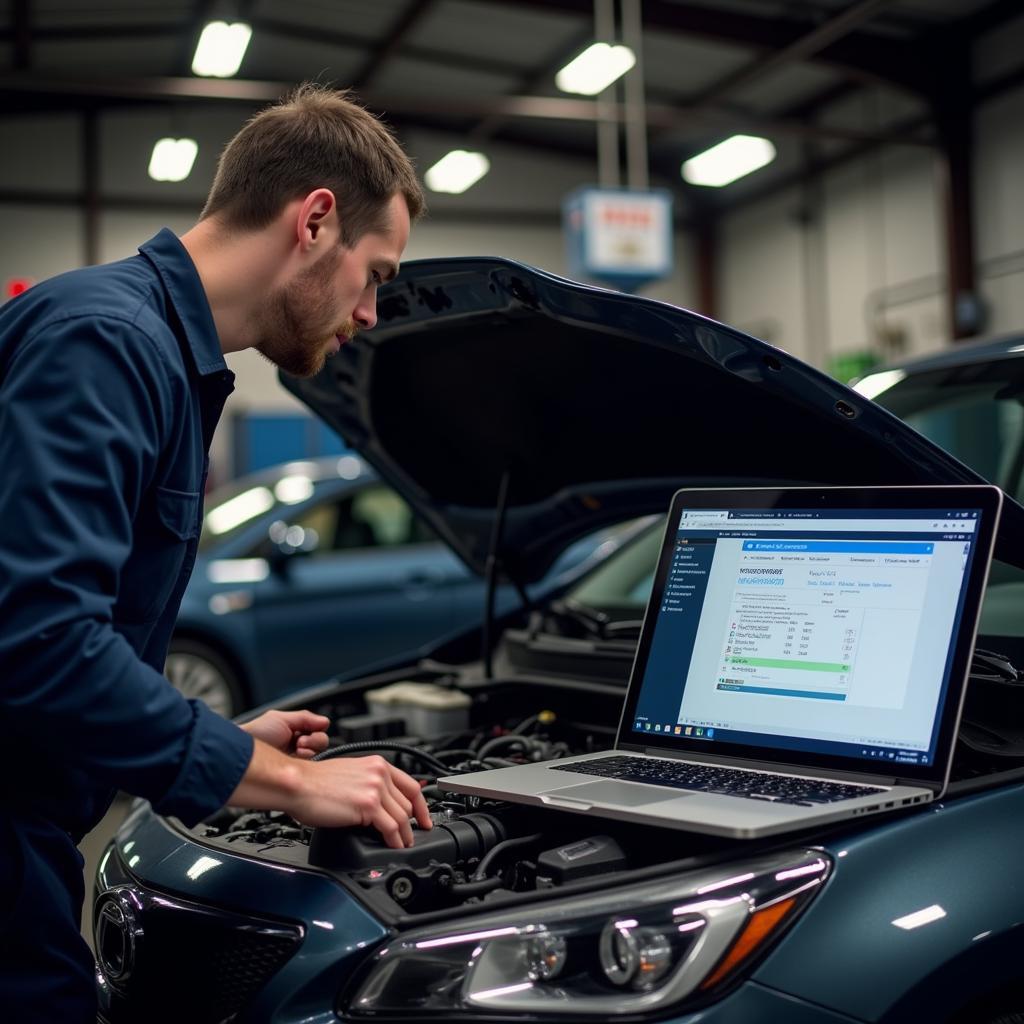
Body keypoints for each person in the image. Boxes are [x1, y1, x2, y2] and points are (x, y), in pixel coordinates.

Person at [0, 84, 430, 1021]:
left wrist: (228, 747)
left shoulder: (153, 353)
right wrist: (286, 782)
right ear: (316, 220)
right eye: (378, 275)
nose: (369, 314)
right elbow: (38, 643)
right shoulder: (106, 344)